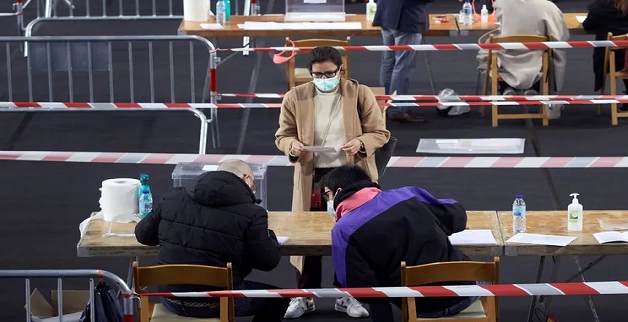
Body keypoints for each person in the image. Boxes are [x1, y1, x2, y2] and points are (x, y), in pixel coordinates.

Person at [274, 46, 390, 319]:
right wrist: (292, 146)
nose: (323, 78)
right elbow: (283, 135)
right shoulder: (295, 96)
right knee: (305, 236)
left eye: (328, 73)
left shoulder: (359, 93)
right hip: (312, 176)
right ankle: (305, 296)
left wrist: (361, 142)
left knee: (351, 236)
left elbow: (380, 132)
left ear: (341, 71)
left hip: (351, 177)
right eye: (316, 74)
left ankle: (346, 295)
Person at [134, 159, 288, 322]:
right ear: (246, 178)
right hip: (219, 301)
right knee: (279, 298)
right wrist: (269, 235)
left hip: (171, 298)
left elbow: (143, 235)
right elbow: (267, 262)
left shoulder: (172, 197)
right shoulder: (252, 214)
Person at [321, 165, 479, 322]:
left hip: (417, 305)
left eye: (327, 195)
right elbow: (456, 216)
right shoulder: (408, 195)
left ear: (339, 192)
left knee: (378, 291)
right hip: (464, 291)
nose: (327, 201)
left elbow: (356, 285)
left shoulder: (343, 230)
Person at [373, 0, 439, 124]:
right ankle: (399, 108)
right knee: (403, 65)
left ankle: (386, 105)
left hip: (386, 14)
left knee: (388, 62)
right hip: (407, 17)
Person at [479, 0, 569, 101]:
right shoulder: (549, 7)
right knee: (551, 52)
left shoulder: (504, 2)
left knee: (488, 49)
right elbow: (561, 36)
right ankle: (535, 87)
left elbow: (497, 10)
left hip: (507, 59)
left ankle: (505, 86)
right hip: (537, 61)